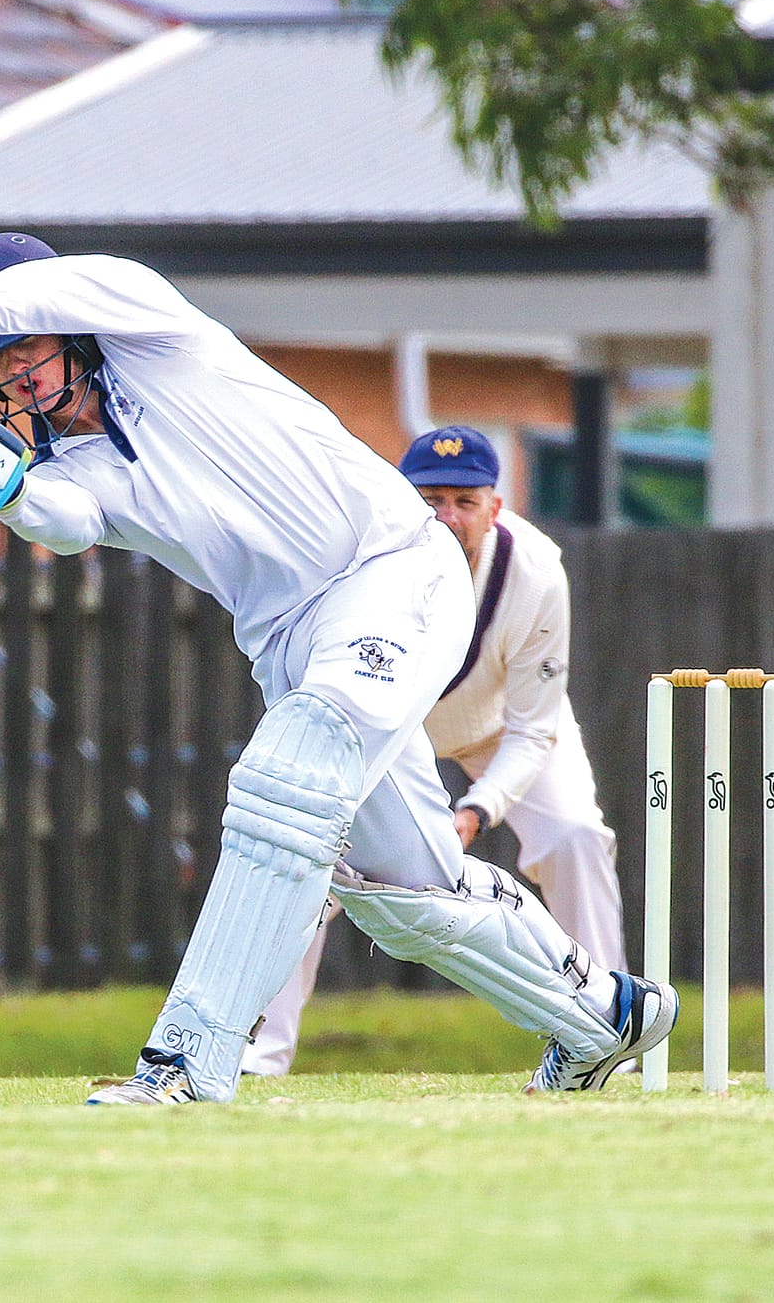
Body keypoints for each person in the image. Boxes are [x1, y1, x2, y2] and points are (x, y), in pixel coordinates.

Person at [0, 232, 675, 1102]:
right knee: (403, 894)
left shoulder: (151, 327)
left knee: (285, 784)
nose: (19, 369)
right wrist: (3, 487)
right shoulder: (76, 463)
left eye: (24, 341)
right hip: (289, 643)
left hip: (390, 572)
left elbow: (78, 282)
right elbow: (66, 522)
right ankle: (605, 1015)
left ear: (65, 326)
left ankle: (188, 1060)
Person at [241, 425, 629, 1077]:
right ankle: (261, 1053)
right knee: (309, 860)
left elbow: (535, 729)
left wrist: (475, 811)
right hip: (394, 735)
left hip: (503, 729)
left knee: (574, 837)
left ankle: (609, 1029)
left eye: (464, 501)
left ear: (494, 508)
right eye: (430, 499)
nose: (446, 517)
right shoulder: (358, 563)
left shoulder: (535, 575)